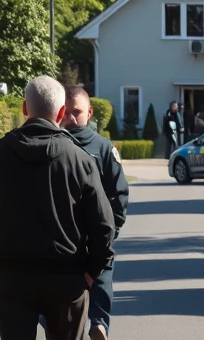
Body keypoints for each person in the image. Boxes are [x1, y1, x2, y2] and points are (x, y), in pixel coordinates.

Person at [0, 76, 115, 340]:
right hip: (67, 279)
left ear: (24, 108)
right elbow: (103, 226)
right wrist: (91, 272)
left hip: (11, 278)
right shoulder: (80, 160)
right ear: (61, 113)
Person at [63, 86, 130, 340]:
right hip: (64, 237)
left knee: (101, 275)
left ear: (89, 113)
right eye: (66, 112)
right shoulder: (54, 144)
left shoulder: (103, 148)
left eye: (77, 112)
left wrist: (111, 232)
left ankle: (99, 324)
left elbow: (119, 194)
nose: (71, 118)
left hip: (95, 234)